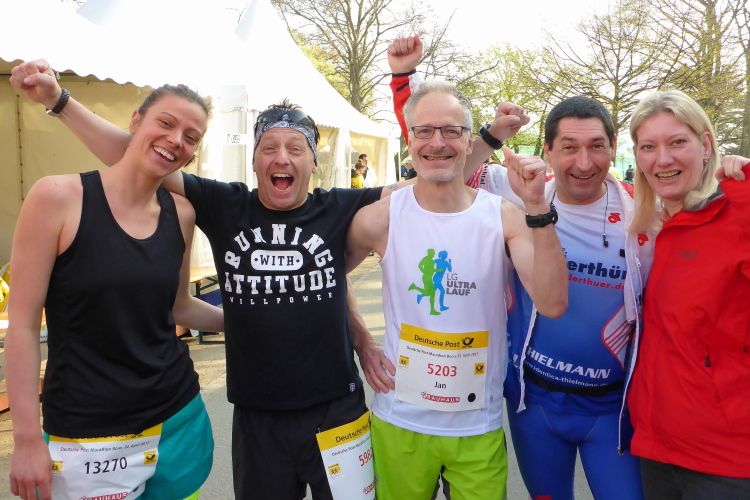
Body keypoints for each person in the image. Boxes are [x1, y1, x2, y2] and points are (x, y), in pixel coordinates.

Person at [9, 59, 412, 500]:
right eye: (269, 147)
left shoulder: (341, 205)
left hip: (337, 409)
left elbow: (428, 182)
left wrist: (434, 111)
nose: (282, 158)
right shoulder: (225, 205)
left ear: (314, 163)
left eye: (297, 148)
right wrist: (60, 101)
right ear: (253, 161)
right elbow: (142, 155)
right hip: (257, 414)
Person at [388, 35, 654, 500]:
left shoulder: (645, 213)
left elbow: (699, 189)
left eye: (597, 146)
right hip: (535, 403)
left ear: (614, 148)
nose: (584, 162)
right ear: (547, 151)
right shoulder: (515, 194)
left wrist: (731, 169)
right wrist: (404, 80)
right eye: (568, 147)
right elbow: (439, 159)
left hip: (612, 407)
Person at [346, 79, 568, 500]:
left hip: (476, 426)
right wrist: (363, 340)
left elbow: (553, 302)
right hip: (400, 422)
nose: (437, 143)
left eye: (451, 131)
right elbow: (326, 275)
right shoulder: (380, 217)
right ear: (410, 140)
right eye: (425, 131)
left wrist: (538, 207)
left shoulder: (504, 216)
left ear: (469, 141)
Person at [5, 72, 224, 500]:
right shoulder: (57, 198)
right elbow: (24, 326)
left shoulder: (182, 214)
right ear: (135, 121)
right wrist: (27, 439)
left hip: (179, 422)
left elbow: (179, 307)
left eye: (190, 137)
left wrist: (255, 319)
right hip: (87, 437)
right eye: (166, 123)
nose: (176, 140)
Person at [627, 89, 750, 499]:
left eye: (677, 142)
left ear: (706, 145)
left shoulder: (737, 214)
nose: (662, 159)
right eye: (648, 147)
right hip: (657, 447)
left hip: (726, 462)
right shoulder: (655, 225)